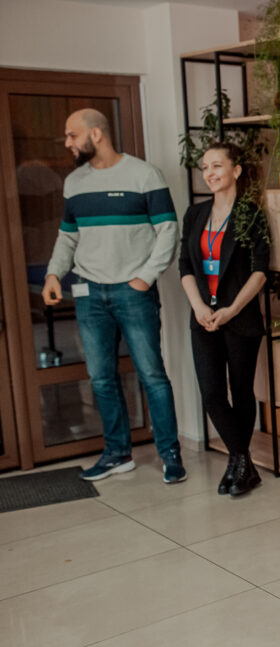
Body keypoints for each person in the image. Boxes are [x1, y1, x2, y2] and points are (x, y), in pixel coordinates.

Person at [42, 108, 183, 484]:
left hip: (133, 292)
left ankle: (170, 455)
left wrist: (145, 279)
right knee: (101, 378)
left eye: (72, 135)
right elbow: (68, 235)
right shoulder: (74, 182)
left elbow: (168, 230)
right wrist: (54, 273)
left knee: (152, 375)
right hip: (89, 293)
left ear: (96, 134)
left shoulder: (144, 174)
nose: (68, 143)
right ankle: (118, 454)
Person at [179, 142, 268, 497]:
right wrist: (199, 306)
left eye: (217, 165)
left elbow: (260, 271)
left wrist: (232, 309)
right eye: (205, 167)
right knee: (212, 394)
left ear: (236, 170)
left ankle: (239, 467)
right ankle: (242, 461)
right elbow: (185, 266)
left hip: (240, 317)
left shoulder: (251, 215)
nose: (209, 173)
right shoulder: (195, 214)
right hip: (203, 318)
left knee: (242, 391)